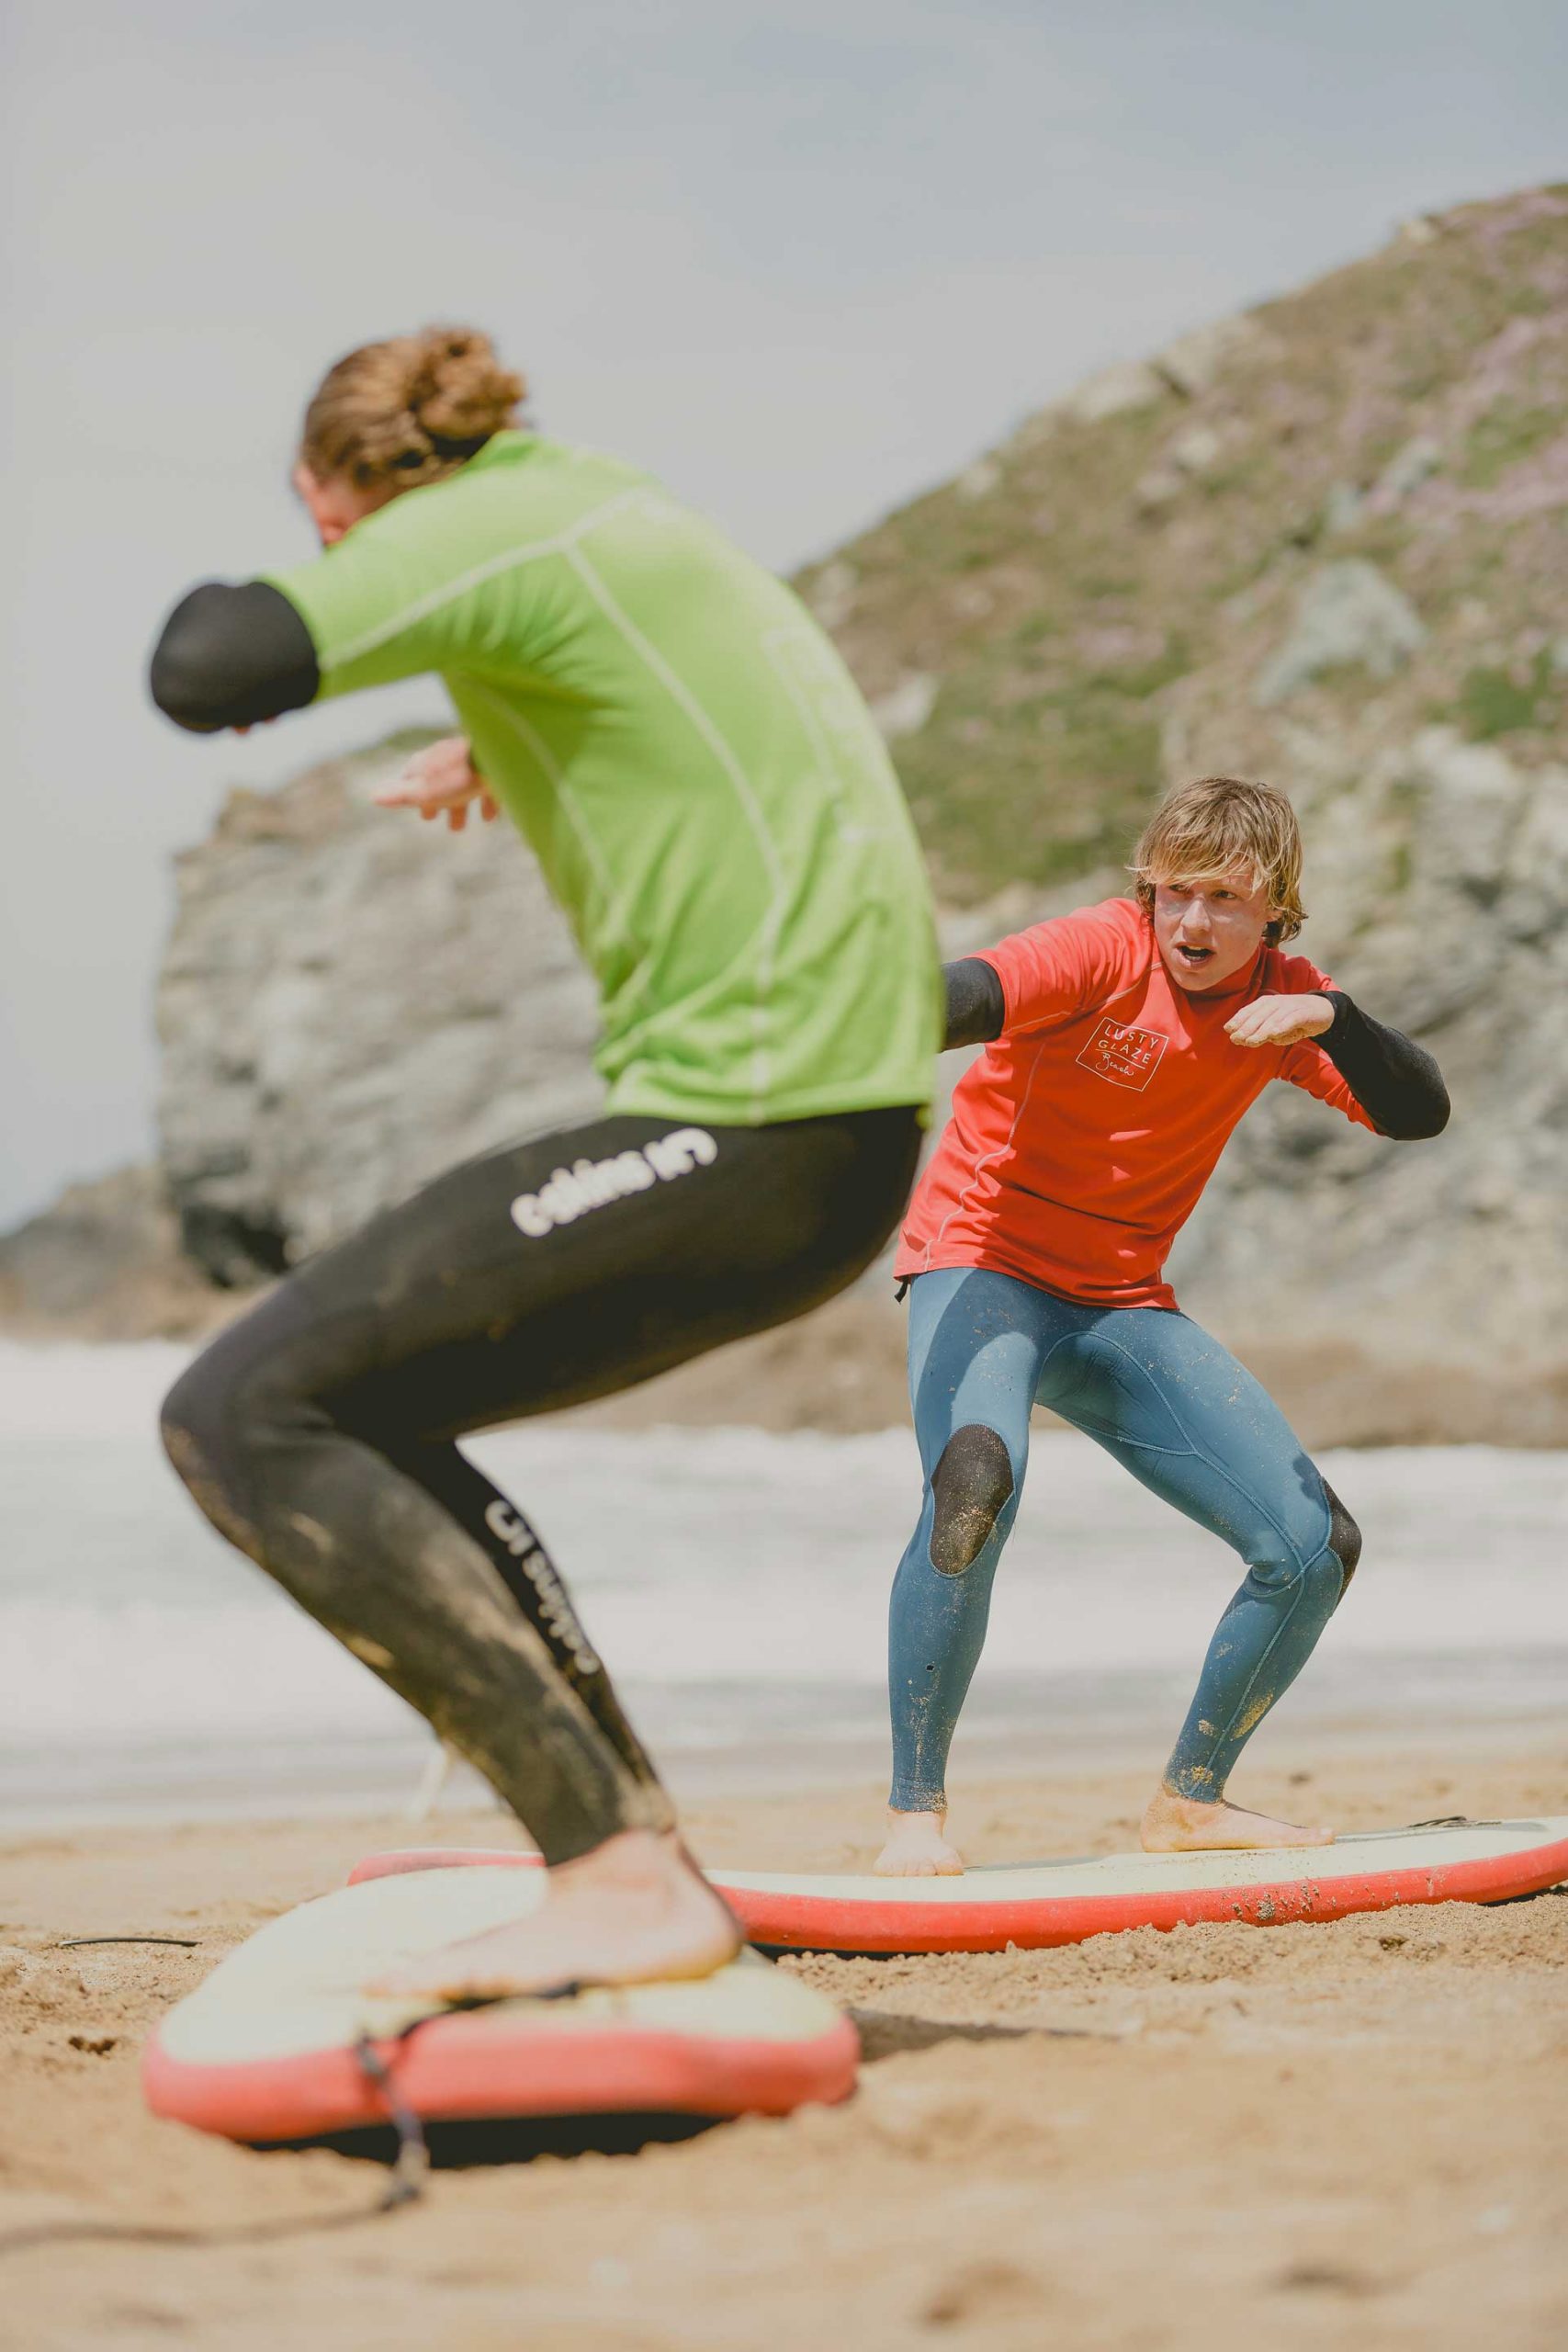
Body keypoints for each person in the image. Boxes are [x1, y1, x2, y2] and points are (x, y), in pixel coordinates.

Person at [148, 324, 942, 1994]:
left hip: (754, 1115)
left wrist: (358, 586)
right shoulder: (600, 517)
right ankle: (628, 1846)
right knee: (361, 1399)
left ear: (340, 488)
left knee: (239, 1411)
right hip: (812, 1121)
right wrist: (502, 735)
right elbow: (680, 696)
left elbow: (206, 668)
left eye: (330, 533)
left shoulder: (490, 528)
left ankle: (608, 1871)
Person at [874, 775, 1449, 1877]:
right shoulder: (1102, 950)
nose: (1192, 923)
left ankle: (1194, 1798)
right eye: (1175, 892)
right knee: (973, 1484)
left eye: (1226, 899)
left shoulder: (1284, 1002)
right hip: (980, 1264)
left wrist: (1333, 1016)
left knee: (1313, 1546)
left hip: (1119, 1301)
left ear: (1275, 908)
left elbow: (1417, 1111)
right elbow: (973, 994)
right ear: (1146, 891)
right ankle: (914, 1816)